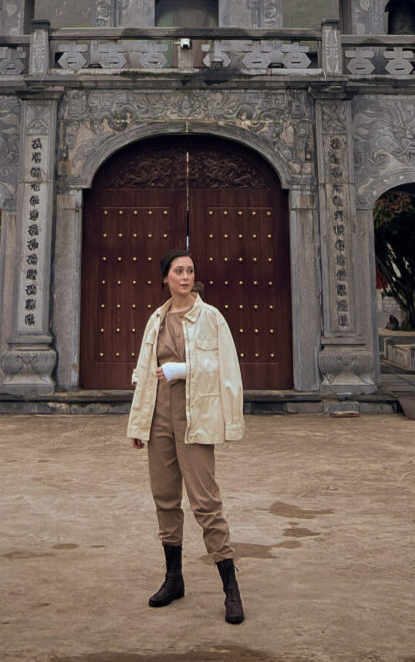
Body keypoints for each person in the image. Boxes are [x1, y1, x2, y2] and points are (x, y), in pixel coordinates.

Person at [127, 248, 245, 624]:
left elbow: (225, 365)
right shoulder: (156, 319)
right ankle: (173, 579)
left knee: (206, 503)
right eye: (178, 271)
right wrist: (138, 423)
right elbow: (145, 370)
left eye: (190, 271)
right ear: (165, 277)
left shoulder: (210, 317)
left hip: (194, 413)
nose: (185, 277)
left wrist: (183, 368)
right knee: (164, 498)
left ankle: (231, 589)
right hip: (159, 414)